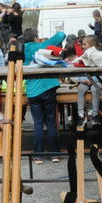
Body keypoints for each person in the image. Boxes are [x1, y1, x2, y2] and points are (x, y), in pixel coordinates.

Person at [23, 27, 65, 163]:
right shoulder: (41, 46)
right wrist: (56, 31)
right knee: (51, 122)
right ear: (36, 37)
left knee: (38, 124)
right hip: (48, 87)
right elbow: (61, 35)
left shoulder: (22, 49)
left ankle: (38, 156)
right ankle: (55, 154)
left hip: (32, 90)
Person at [70, 35, 102, 125]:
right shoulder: (84, 56)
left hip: (98, 81)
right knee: (81, 88)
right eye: (82, 44)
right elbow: (80, 71)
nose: (82, 46)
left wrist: (92, 81)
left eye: (85, 44)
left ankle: (95, 114)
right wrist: (81, 80)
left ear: (92, 45)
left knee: (95, 89)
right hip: (86, 80)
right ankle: (81, 114)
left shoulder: (100, 56)